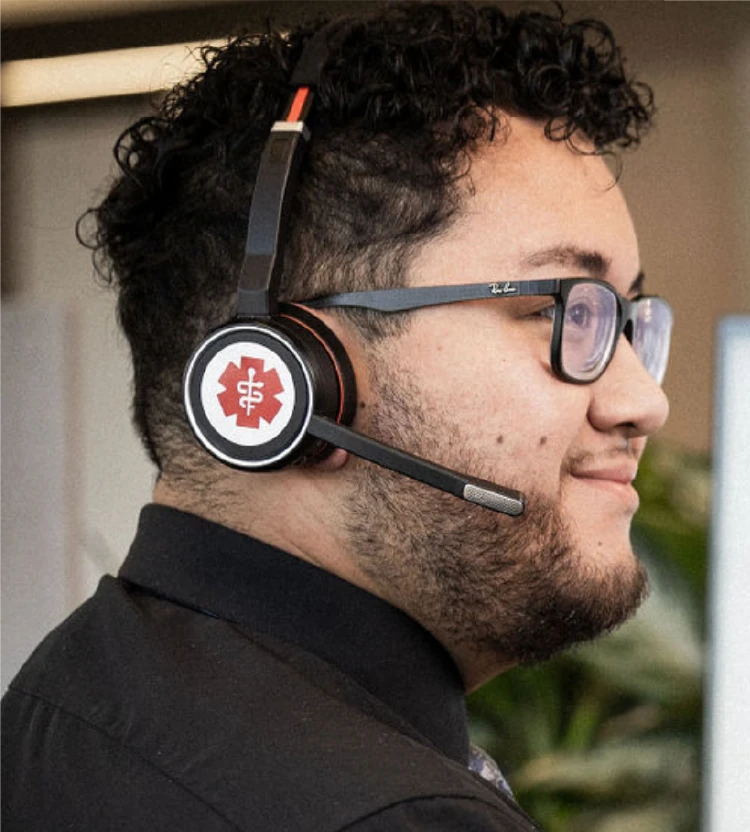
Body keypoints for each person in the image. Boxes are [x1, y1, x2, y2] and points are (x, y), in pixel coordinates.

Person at [0, 2, 672, 829]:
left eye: (629, 321)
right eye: (560, 310)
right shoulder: (396, 816)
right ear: (292, 378)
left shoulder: (59, 708)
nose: (645, 400)